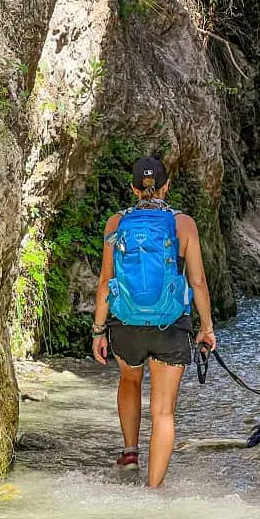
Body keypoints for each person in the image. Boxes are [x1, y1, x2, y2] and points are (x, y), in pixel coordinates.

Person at [91, 156, 217, 488]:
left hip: (126, 324)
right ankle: (152, 491)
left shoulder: (115, 223)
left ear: (133, 188)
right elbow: (199, 281)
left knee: (130, 380)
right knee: (163, 412)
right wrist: (206, 328)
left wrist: (98, 330)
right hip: (170, 326)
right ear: (166, 186)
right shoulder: (184, 225)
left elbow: (106, 281)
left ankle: (130, 453)